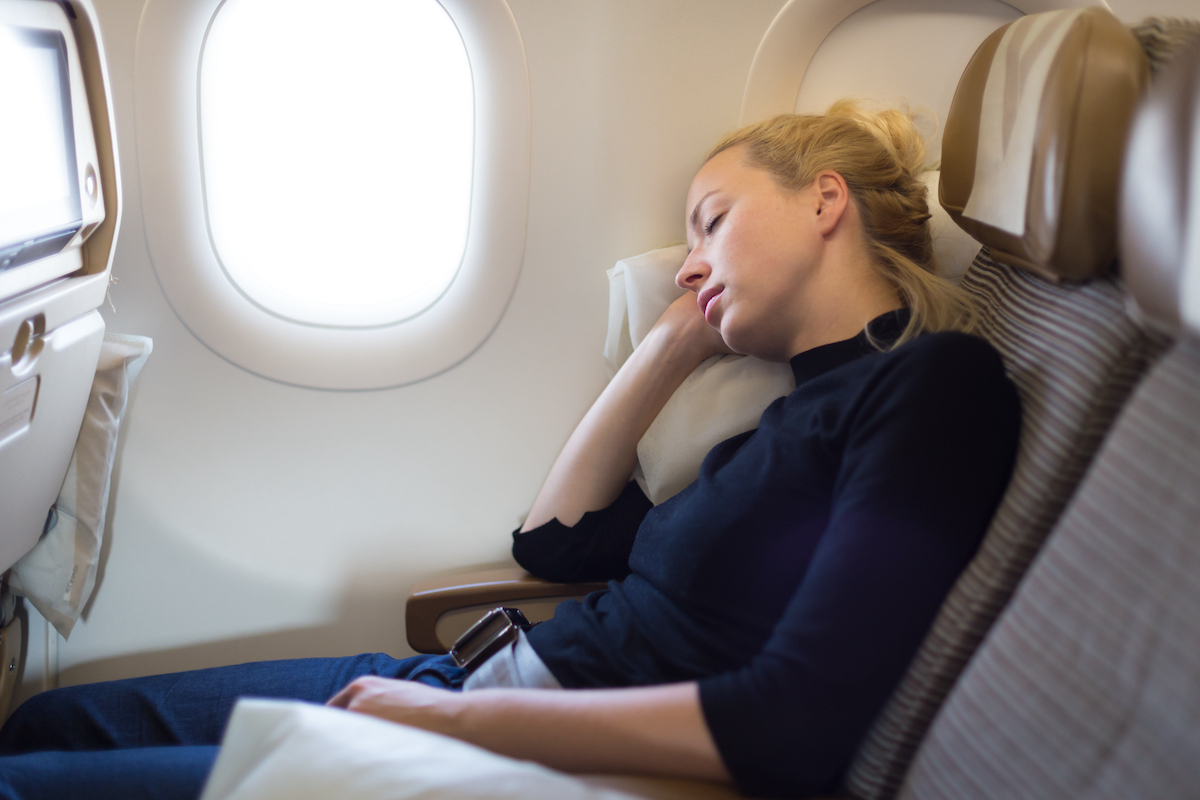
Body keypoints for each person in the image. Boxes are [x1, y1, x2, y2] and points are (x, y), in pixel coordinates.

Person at [0, 102, 1020, 800]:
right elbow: (555, 542)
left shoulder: (936, 388)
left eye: (712, 221)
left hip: (522, 742)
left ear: (825, 200)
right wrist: (673, 341)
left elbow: (793, 725)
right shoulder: (784, 420)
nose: (691, 264)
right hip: (463, 680)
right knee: (48, 725)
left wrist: (449, 726)